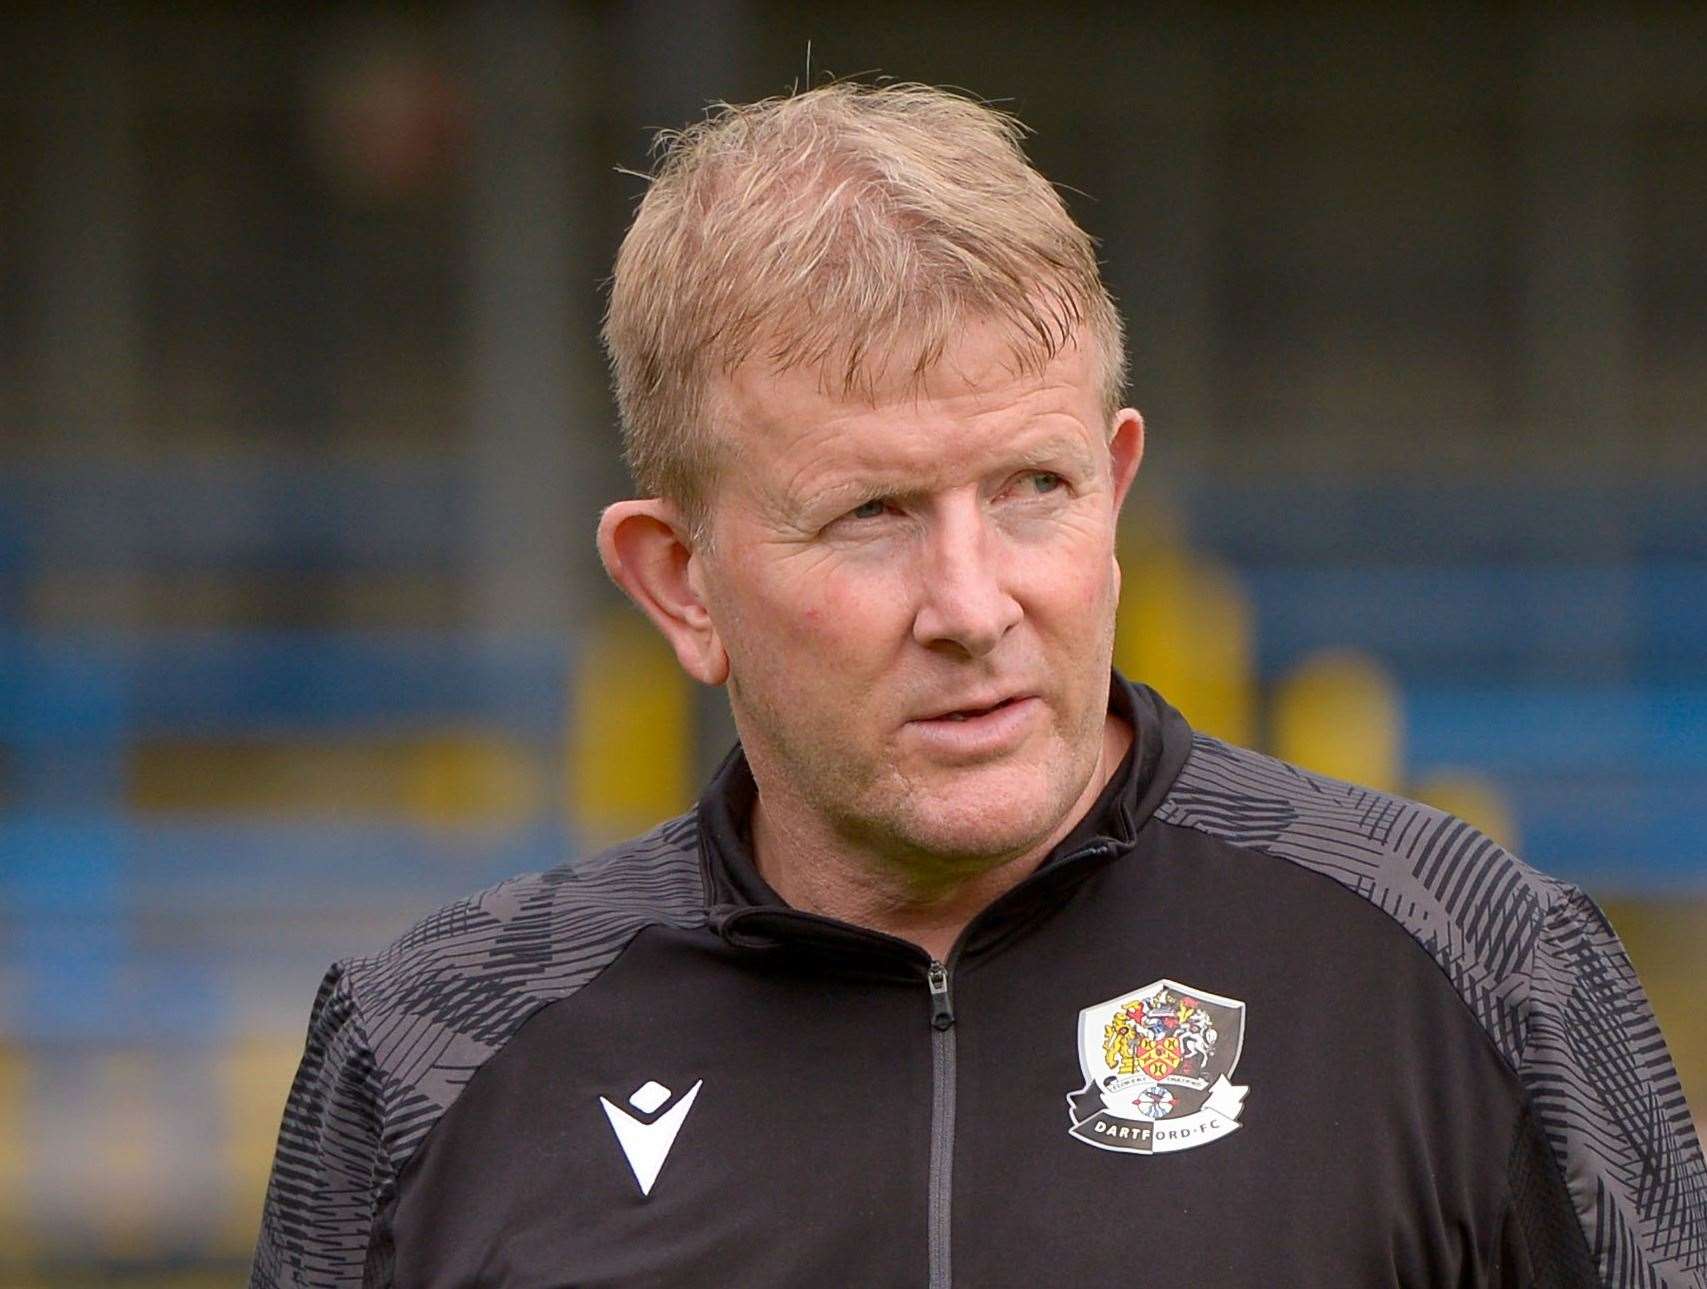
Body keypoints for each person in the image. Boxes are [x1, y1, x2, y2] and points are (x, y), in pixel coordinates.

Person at [251, 82, 1705, 1287]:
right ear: (677, 581)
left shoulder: (1476, 969)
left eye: (1032, 488)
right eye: (872, 513)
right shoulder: (428, 1060)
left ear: (1117, 488)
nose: (972, 603)